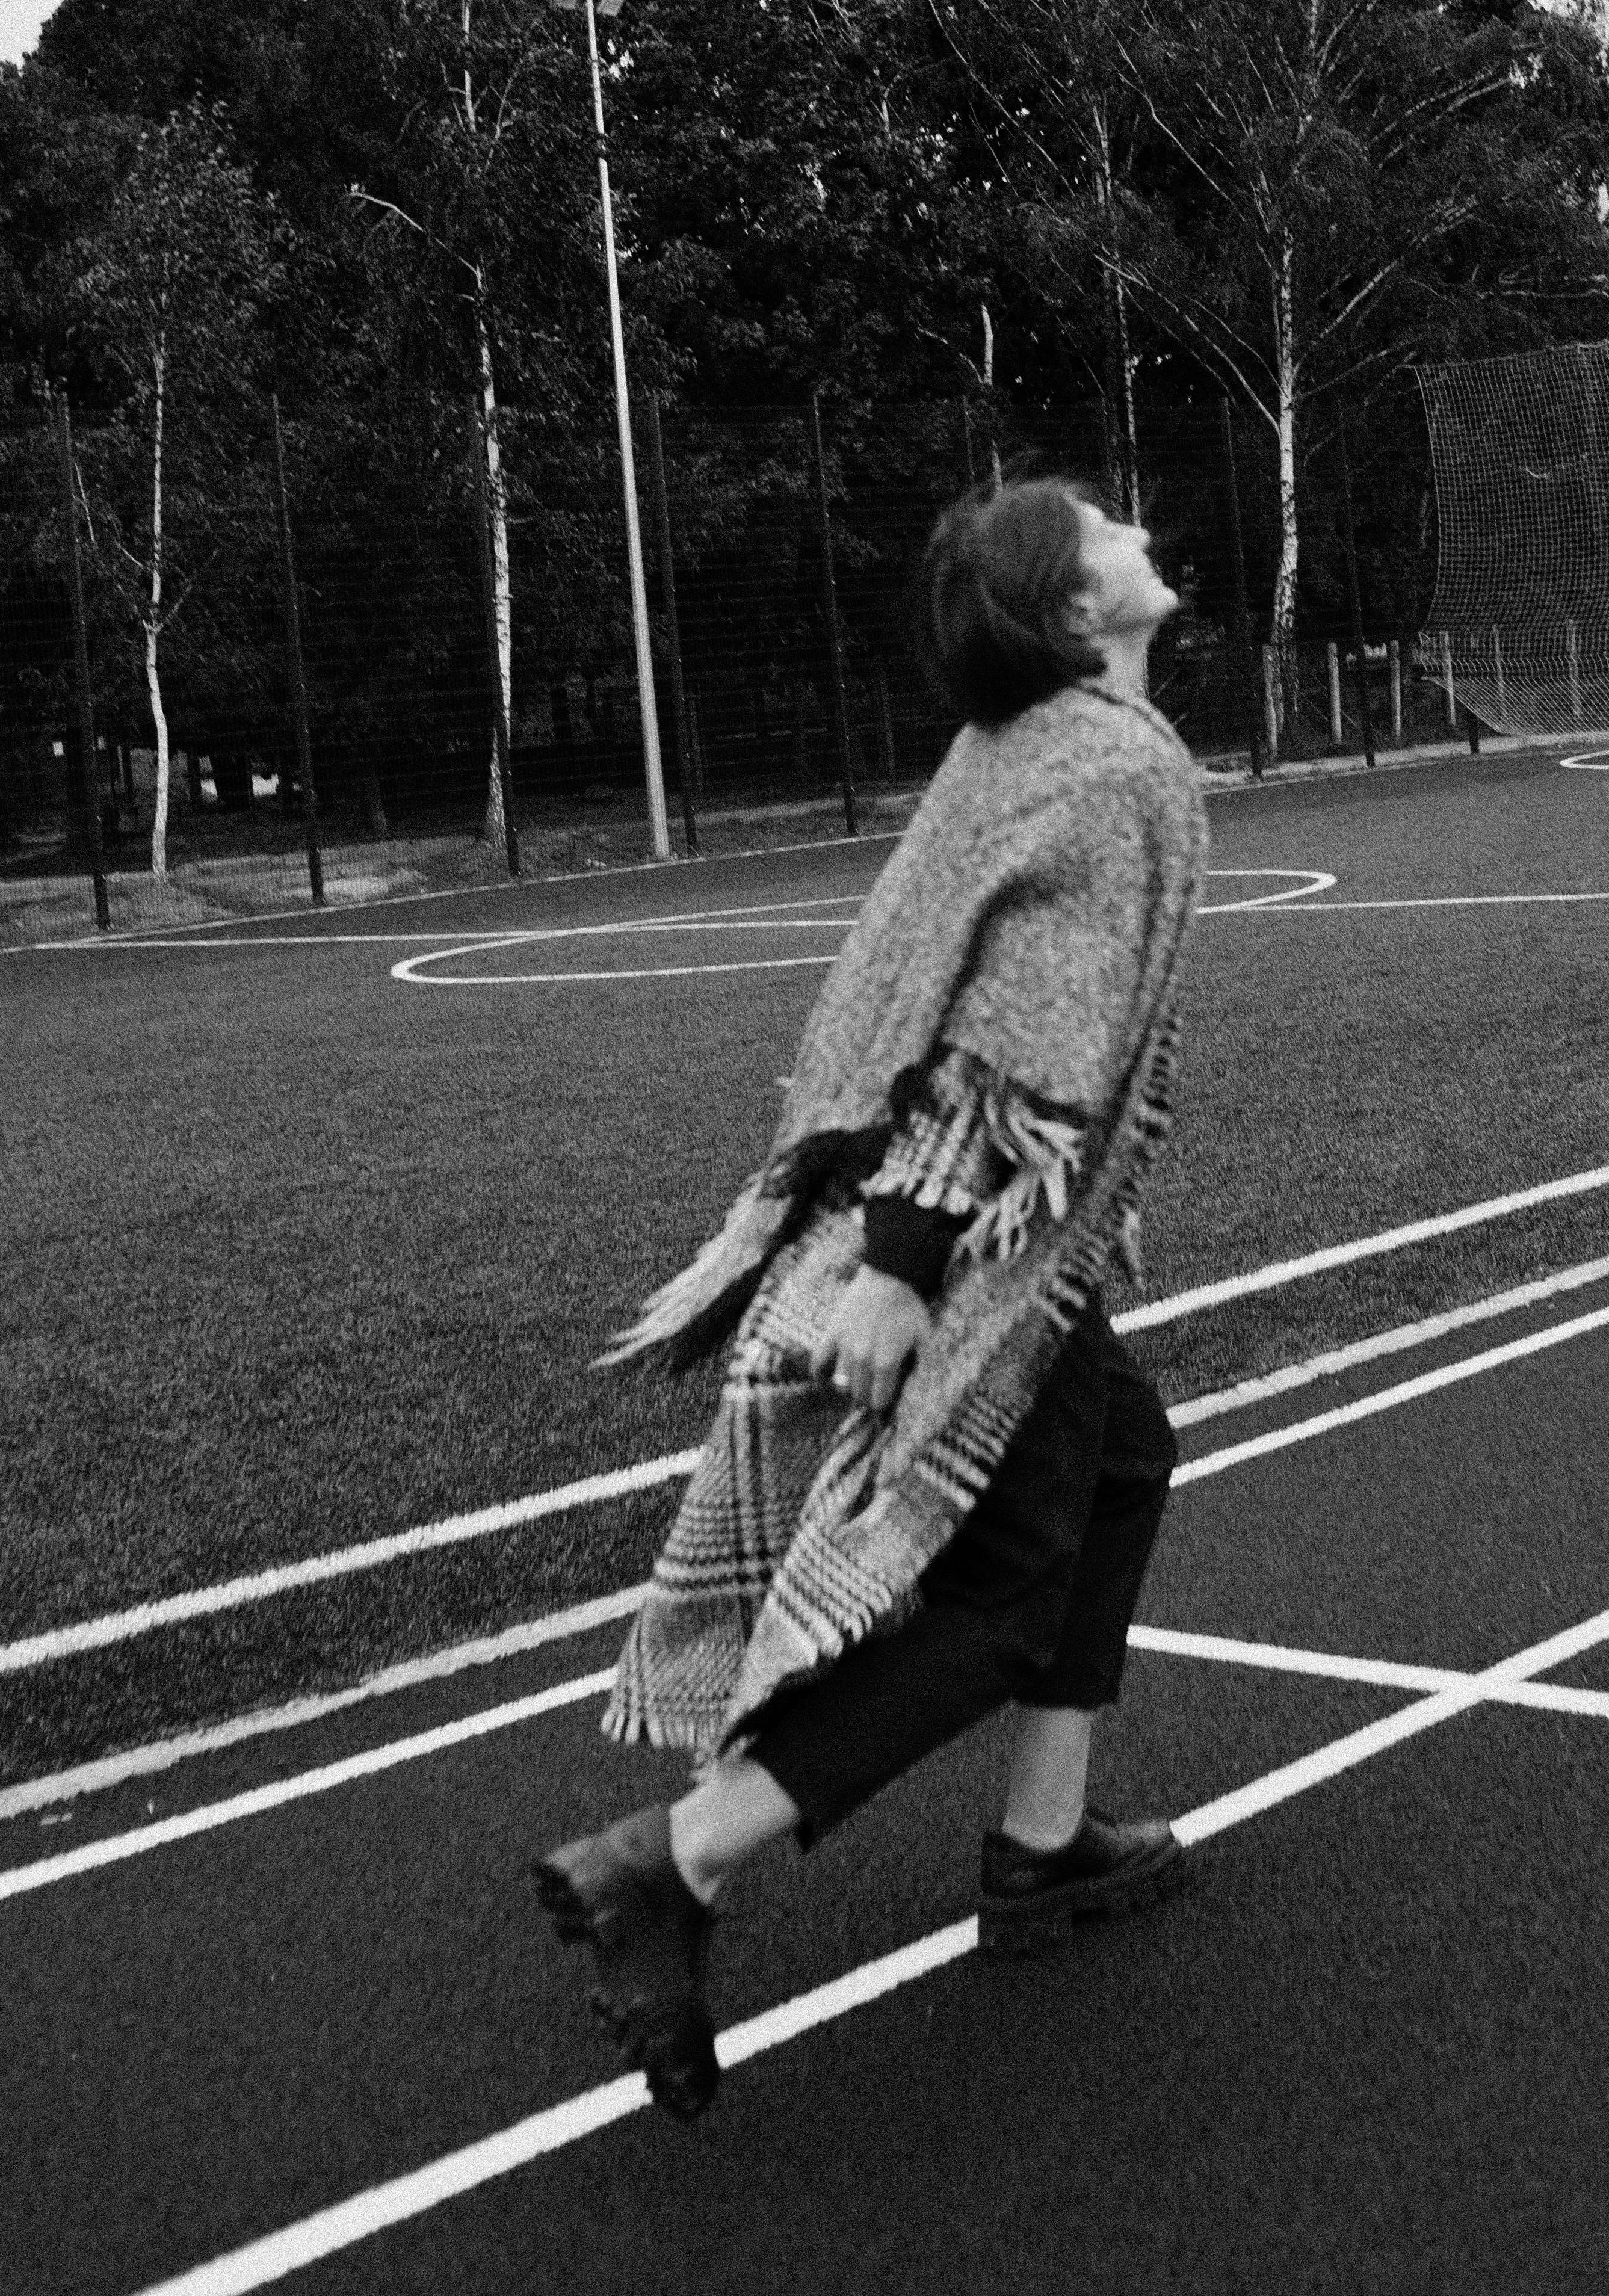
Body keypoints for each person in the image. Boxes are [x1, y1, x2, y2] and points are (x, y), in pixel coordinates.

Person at [533, 478, 1208, 2119]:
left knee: (1122, 1464)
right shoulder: (1113, 762)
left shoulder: (1018, 752)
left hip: (935, 1211)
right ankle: (675, 1858)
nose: (1135, 524)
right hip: (973, 1239)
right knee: (1001, 1593)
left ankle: (1045, 1847)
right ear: (1073, 613)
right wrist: (907, 1272)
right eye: (1104, 524)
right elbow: (1016, 1040)